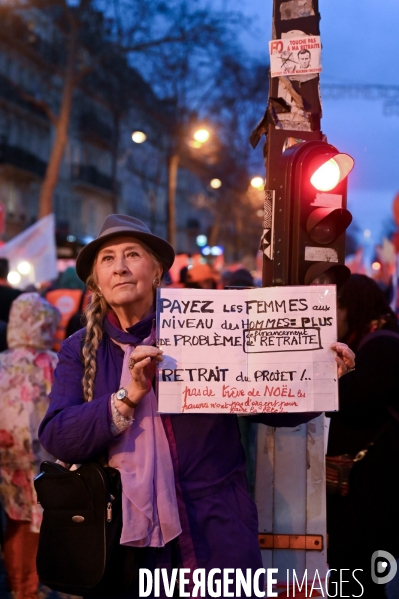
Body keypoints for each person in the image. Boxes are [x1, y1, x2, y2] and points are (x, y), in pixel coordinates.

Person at [38, 214, 355, 599]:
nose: (119, 267)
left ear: (156, 272)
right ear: (97, 282)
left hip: (215, 528)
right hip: (122, 542)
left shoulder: (204, 326)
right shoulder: (78, 349)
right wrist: (128, 396)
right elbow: (58, 436)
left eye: (132, 254)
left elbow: (271, 405)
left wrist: (319, 379)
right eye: (107, 259)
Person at [327, 274, 399, 598]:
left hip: (372, 490)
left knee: (359, 576)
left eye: (336, 308)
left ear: (351, 307)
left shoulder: (383, 345)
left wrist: (339, 377)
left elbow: (354, 403)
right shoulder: (375, 340)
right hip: (369, 487)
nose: (332, 318)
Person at [0, 293, 60, 599]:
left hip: (8, 460)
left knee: (16, 521)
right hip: (50, 460)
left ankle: (20, 587)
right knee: (47, 521)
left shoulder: (1, 363)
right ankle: (40, 585)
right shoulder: (54, 363)